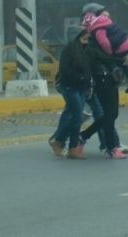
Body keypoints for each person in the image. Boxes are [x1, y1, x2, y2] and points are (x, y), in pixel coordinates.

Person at [48, 28, 92, 159]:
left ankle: (67, 146)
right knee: (77, 117)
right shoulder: (69, 50)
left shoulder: (87, 50)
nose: (86, 41)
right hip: (70, 87)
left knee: (75, 117)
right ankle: (62, 142)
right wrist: (81, 78)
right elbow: (65, 70)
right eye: (83, 38)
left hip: (83, 88)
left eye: (87, 39)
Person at [81, 5, 128, 94]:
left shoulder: (97, 30)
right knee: (122, 62)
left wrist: (110, 53)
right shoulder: (106, 24)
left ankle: (118, 74)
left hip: (104, 80)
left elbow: (104, 44)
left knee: (110, 60)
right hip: (124, 45)